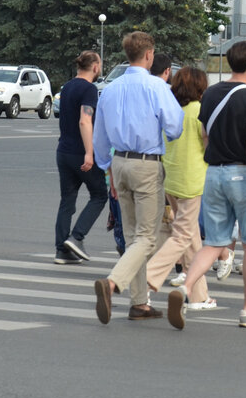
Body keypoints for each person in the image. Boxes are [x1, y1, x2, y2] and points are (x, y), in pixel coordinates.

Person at [168, 41, 246, 330]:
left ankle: (185, 289)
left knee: (214, 242)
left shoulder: (212, 93)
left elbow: (205, 133)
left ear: (229, 62)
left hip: (213, 173)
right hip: (242, 174)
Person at [90, 31, 185, 325]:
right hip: (146, 163)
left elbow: (100, 137)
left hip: (119, 162)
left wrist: (108, 168)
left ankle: (139, 302)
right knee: (146, 236)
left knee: (133, 237)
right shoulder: (156, 86)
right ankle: (113, 283)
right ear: (149, 55)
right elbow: (174, 127)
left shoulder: (111, 89)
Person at [144, 67, 215, 311]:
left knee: (192, 238)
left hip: (172, 179)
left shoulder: (173, 110)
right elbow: (207, 144)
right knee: (183, 236)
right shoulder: (199, 111)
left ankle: (199, 296)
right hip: (191, 180)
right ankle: (148, 278)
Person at [49, 51, 107, 265]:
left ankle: (61, 250)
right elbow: (85, 121)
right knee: (100, 194)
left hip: (63, 151)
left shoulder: (68, 86)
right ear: (95, 67)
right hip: (79, 153)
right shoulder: (89, 89)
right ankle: (77, 237)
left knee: (67, 200)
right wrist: (89, 152)